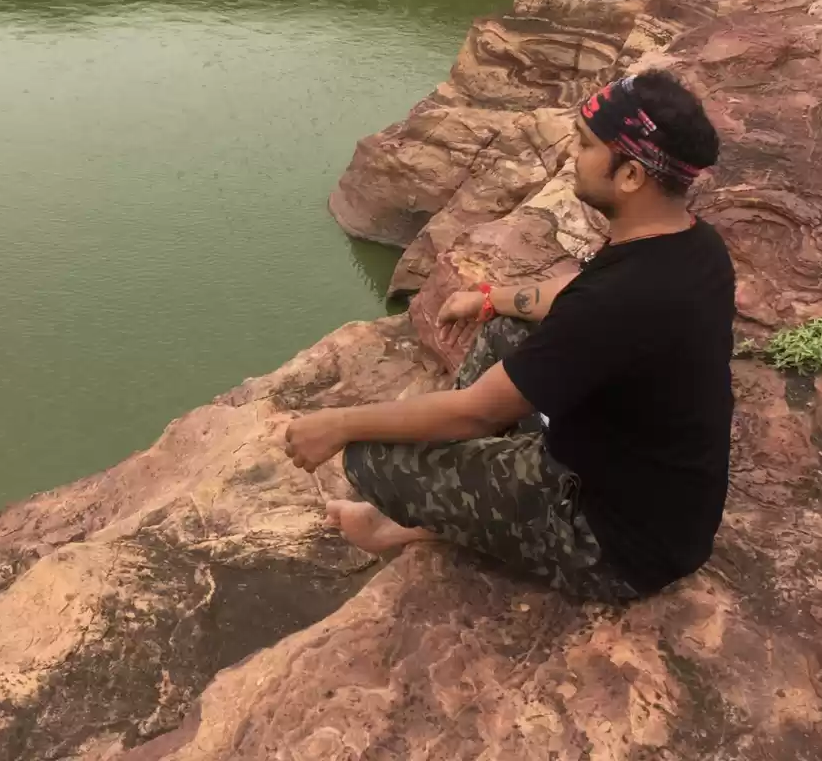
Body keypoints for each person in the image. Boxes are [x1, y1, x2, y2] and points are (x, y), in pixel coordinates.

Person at [284, 69, 735, 601]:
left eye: (586, 145)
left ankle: (419, 519)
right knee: (507, 330)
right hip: (652, 495)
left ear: (631, 176)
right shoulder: (692, 245)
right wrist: (491, 297)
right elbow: (570, 298)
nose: (572, 153)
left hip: (611, 544)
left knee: (370, 456)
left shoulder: (619, 302)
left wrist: (337, 423)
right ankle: (454, 499)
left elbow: (479, 411)